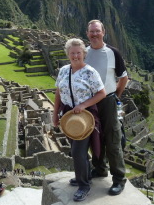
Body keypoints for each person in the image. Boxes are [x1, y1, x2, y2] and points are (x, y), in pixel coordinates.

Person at [53, 38, 106, 202]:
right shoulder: (63, 71)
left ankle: (84, 185)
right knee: (76, 149)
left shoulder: (90, 72)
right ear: (68, 54)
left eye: (78, 53)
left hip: (85, 117)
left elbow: (101, 93)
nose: (76, 56)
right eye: (72, 53)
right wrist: (54, 115)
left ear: (84, 53)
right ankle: (83, 175)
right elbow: (58, 92)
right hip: (68, 115)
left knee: (77, 152)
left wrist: (83, 105)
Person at [85, 19, 128, 196]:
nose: (94, 34)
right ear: (87, 33)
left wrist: (115, 96)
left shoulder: (112, 53)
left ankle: (119, 179)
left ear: (103, 32)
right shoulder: (84, 53)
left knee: (113, 139)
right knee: (94, 137)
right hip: (89, 101)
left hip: (108, 100)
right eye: (91, 31)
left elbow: (124, 78)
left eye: (97, 31)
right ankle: (100, 169)